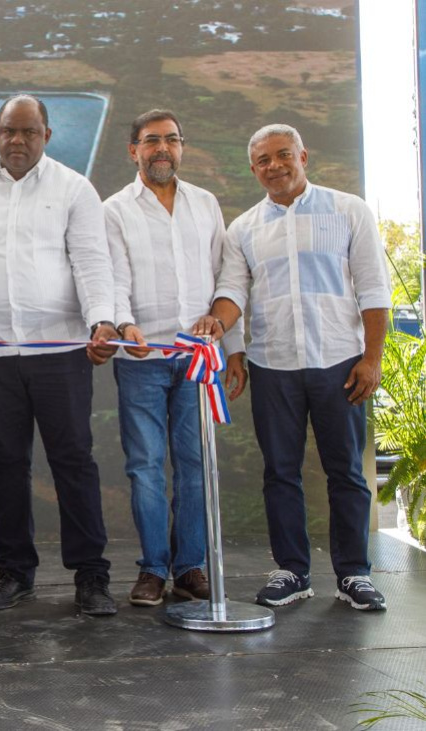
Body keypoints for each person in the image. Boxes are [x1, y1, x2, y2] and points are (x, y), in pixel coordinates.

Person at [207, 124, 392, 611]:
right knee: (280, 472)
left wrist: (372, 358)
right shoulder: (243, 229)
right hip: (273, 364)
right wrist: (232, 350)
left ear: (303, 156)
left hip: (340, 361)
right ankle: (292, 571)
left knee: (346, 472)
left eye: (283, 155)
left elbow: (373, 288)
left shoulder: (348, 210)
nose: (275, 166)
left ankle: (354, 574)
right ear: (254, 169)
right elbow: (232, 292)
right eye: (264, 160)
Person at [0, 94, 120, 616]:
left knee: (73, 460)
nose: (18, 140)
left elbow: (91, 262)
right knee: (5, 463)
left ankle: (91, 576)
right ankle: (15, 573)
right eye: (9, 131)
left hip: (60, 349)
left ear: (47, 135)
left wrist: (102, 320)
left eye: (29, 132)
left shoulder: (75, 188)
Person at [104, 109, 247, 607]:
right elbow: (113, 280)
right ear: (134, 150)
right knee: (144, 467)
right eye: (151, 140)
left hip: (197, 361)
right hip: (140, 358)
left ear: (182, 146)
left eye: (171, 139)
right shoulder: (114, 210)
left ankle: (189, 568)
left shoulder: (205, 204)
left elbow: (228, 278)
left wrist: (233, 346)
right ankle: (152, 569)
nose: (161, 148)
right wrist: (124, 326)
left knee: (195, 464)